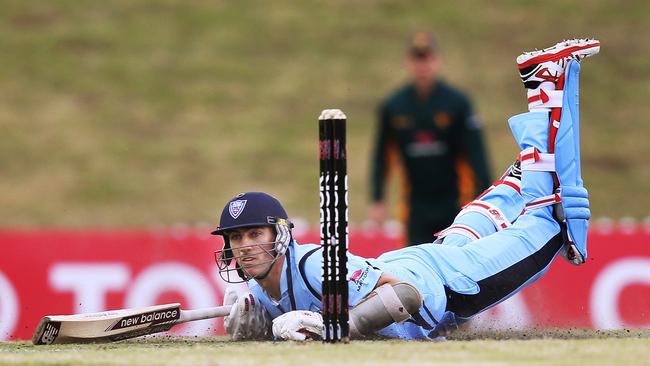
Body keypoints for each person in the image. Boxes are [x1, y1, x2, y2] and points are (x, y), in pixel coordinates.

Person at [213, 39, 600, 341]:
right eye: (236, 237)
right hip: (421, 257)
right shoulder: (261, 288)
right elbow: (289, 321)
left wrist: (337, 326)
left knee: (552, 223)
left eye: (254, 234)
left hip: (447, 286)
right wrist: (257, 325)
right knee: (474, 226)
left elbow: (407, 296)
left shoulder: (314, 265)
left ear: (278, 236)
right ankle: (518, 176)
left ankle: (545, 84)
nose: (245, 245)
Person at [370, 31, 493, 245]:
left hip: (456, 202)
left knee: (457, 265)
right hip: (414, 206)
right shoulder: (394, 106)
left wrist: (486, 199)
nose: (422, 66)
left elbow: (476, 153)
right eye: (417, 59)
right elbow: (382, 156)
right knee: (415, 267)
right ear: (407, 62)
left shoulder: (457, 103)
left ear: (437, 61)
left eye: (427, 59)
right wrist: (378, 198)